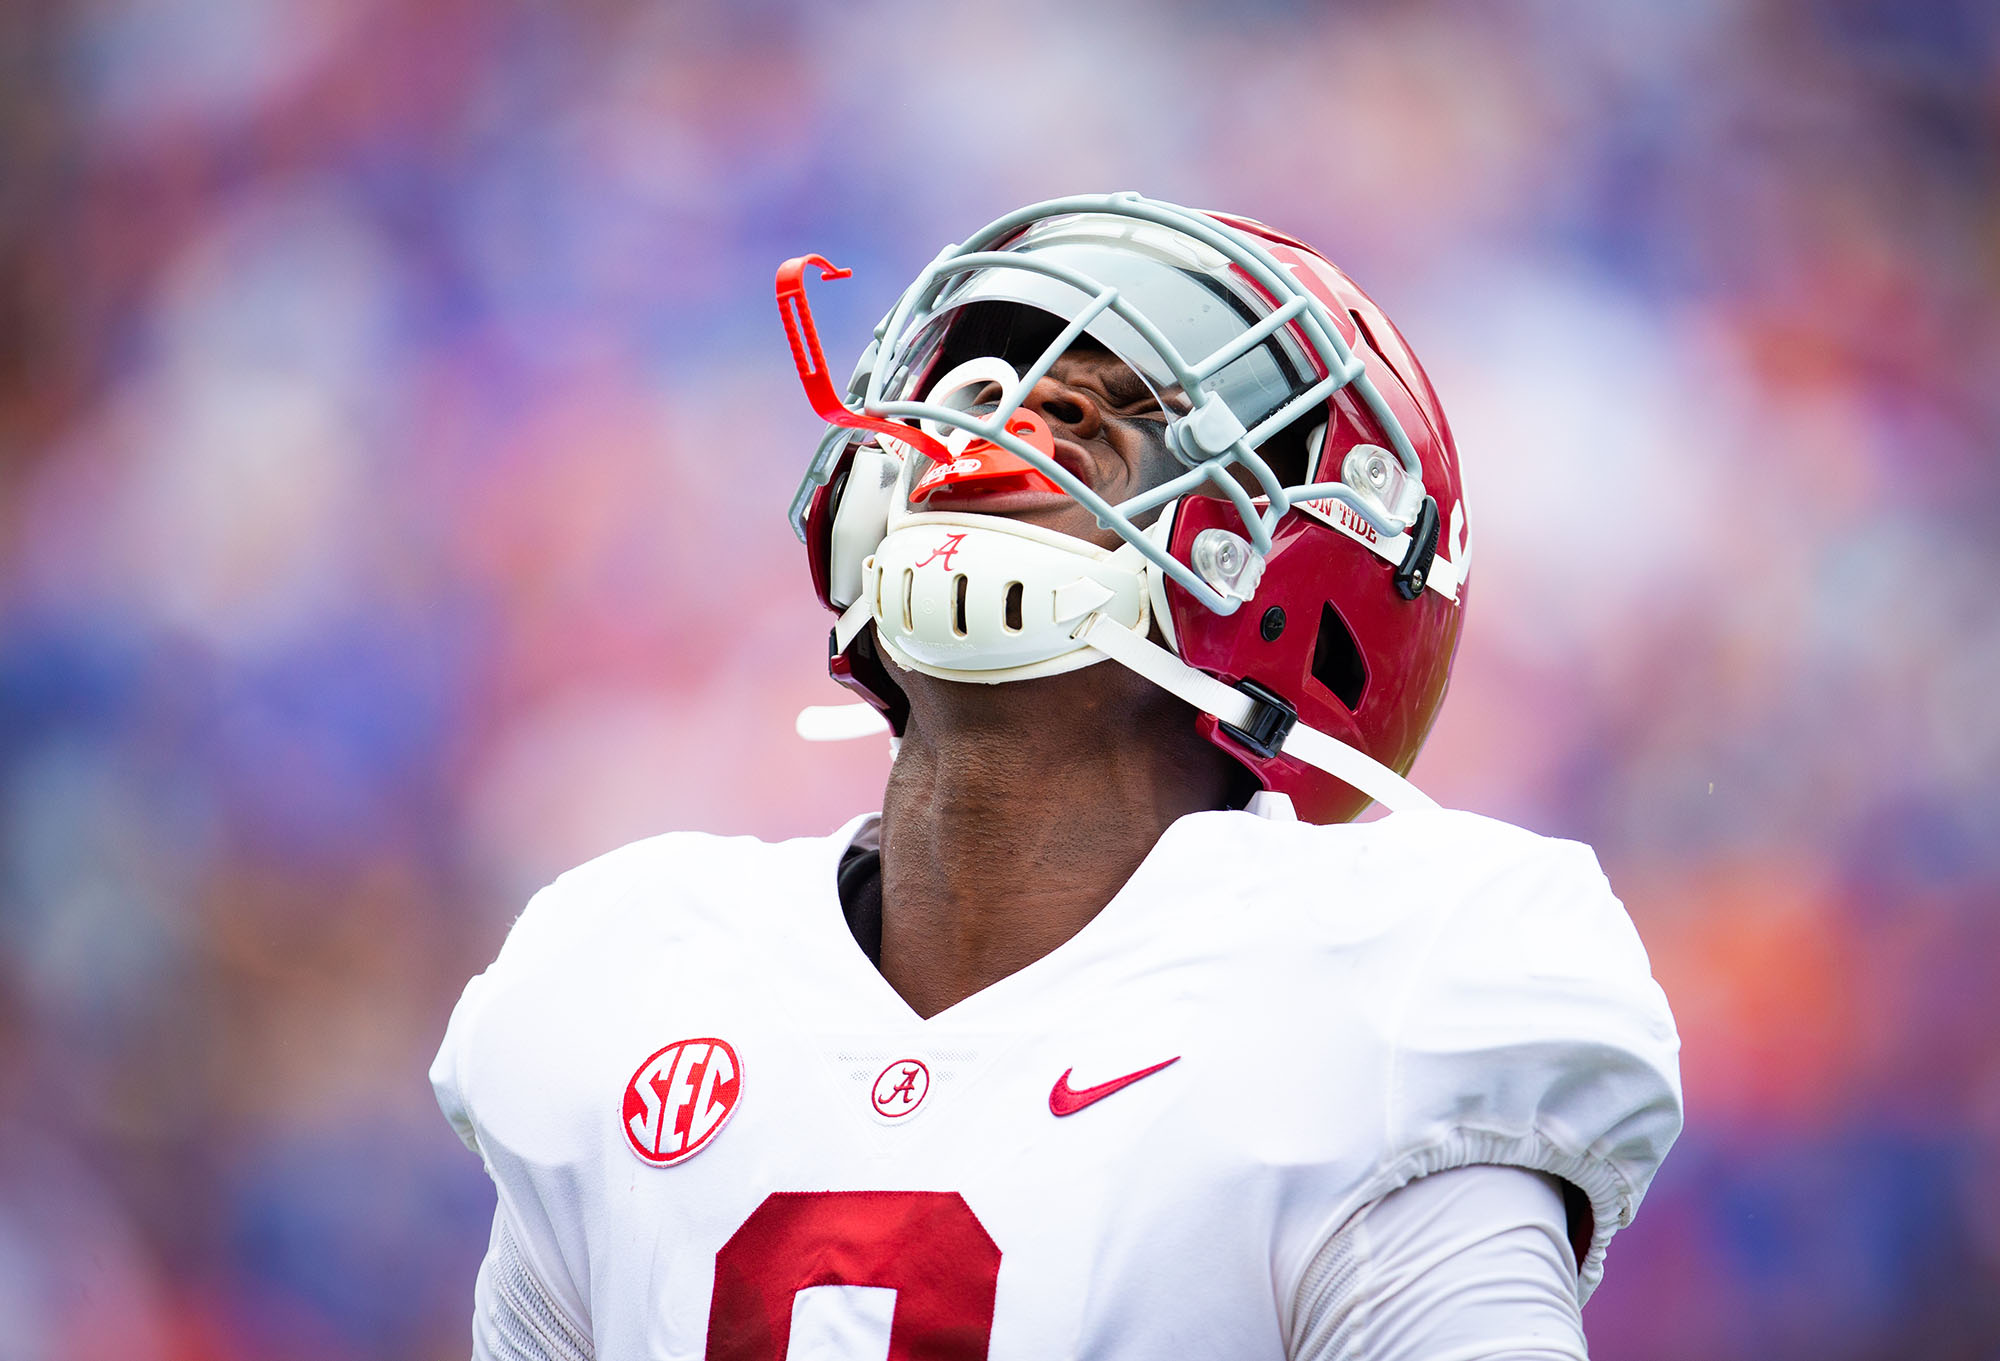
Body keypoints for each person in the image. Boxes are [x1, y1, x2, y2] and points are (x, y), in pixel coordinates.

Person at [431, 192, 1682, 1359]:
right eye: (991, 379)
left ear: (1301, 583)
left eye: (1131, 404)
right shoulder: (627, 969)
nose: (1029, 411)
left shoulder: (1391, 997)